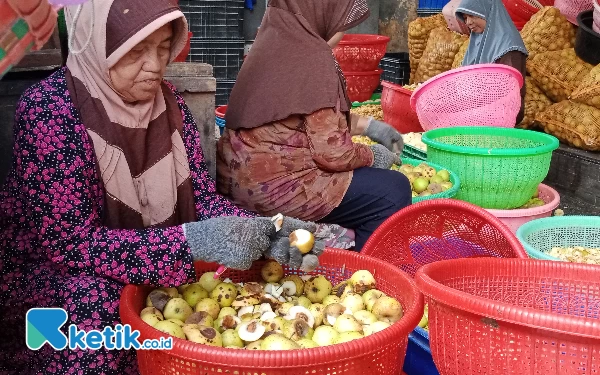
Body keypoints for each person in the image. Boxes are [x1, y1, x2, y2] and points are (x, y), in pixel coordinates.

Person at [0, 0, 329, 373]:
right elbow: (70, 244)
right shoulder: (50, 111)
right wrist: (191, 242)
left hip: (148, 259)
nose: (155, 65)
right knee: (93, 302)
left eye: (162, 48)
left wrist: (268, 230)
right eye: (136, 50)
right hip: (58, 276)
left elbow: (201, 198)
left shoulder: (170, 104)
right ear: (97, 45)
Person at [217, 0, 413, 252]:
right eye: (341, 22)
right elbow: (334, 155)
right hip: (276, 190)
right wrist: (373, 155)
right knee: (392, 190)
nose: (343, 33)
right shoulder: (313, 57)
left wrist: (369, 127)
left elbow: (296, 119)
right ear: (321, 14)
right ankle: (364, 271)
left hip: (236, 180)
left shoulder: (270, 42)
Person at [456, 0, 529, 124]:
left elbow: (507, 92)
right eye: (465, 17)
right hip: (478, 111)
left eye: (472, 15)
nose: (468, 22)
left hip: (500, 115)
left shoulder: (508, 45)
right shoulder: (479, 39)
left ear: (488, 11)